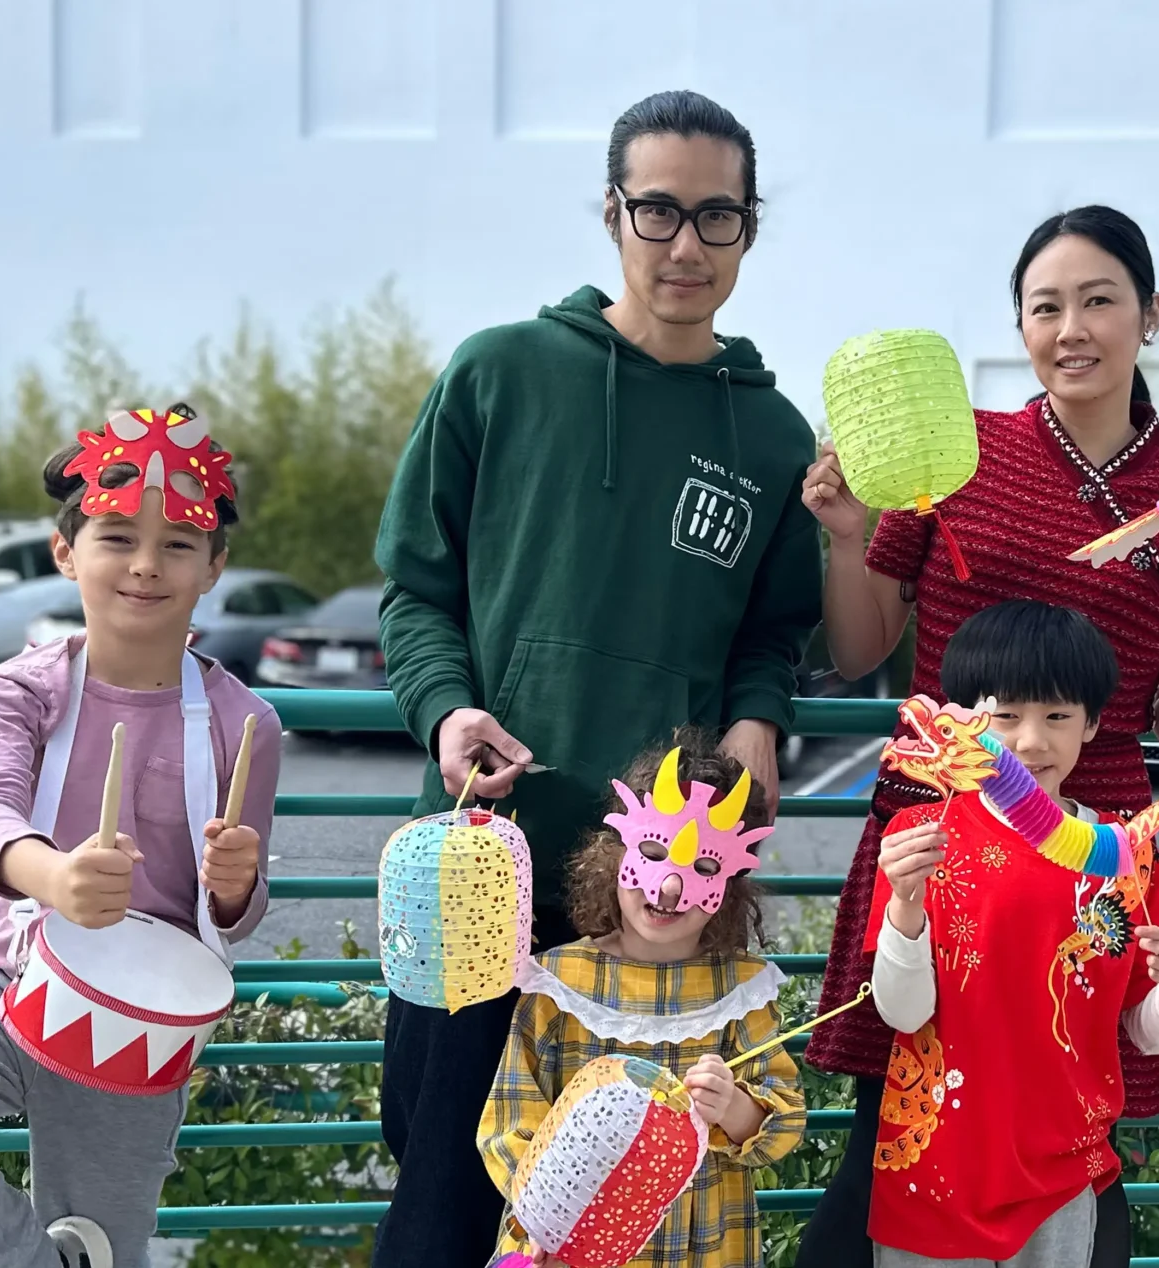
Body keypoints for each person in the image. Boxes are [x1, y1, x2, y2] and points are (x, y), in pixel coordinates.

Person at [371, 89, 822, 1268]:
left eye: (714, 216)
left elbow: (773, 634)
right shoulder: (498, 373)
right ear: (612, 213)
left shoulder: (772, 435)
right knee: (443, 1194)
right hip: (484, 859)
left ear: (749, 228)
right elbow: (412, 588)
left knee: (638, 1212)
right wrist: (445, 707)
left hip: (658, 887)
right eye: (657, 210)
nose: (684, 245)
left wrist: (760, 720)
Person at [796, 205, 1159, 1265]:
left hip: (1089, 858)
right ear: (1018, 325)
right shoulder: (958, 449)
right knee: (897, 1115)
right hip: (942, 829)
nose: (1070, 327)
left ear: (1149, 314)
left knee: (1071, 1107)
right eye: (1042, 306)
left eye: (1098, 299)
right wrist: (848, 536)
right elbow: (864, 639)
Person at [0, 406, 281, 1268]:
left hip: (141, 1016)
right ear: (65, 551)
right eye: (116, 537)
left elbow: (239, 910)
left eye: (179, 545)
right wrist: (53, 876)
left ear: (214, 566)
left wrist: (233, 881)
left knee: (113, 1243)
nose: (146, 565)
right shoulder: (14, 694)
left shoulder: (244, 722)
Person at [860, 600, 1159, 1265]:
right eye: (1006, 717)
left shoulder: (1128, 854)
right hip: (932, 1163)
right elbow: (902, 1012)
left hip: (1061, 1170)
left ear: (1093, 724)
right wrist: (905, 906)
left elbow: (1143, 1028)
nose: (1030, 742)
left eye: (1056, 717)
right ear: (966, 723)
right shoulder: (918, 838)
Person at [478, 735, 806, 1267]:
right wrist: (545, 1220)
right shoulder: (559, 983)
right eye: (653, 853)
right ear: (617, 854)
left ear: (730, 883)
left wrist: (736, 1109)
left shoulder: (740, 991)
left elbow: (783, 1122)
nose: (671, 887)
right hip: (566, 1245)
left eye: (702, 867)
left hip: (700, 1243)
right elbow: (509, 1121)